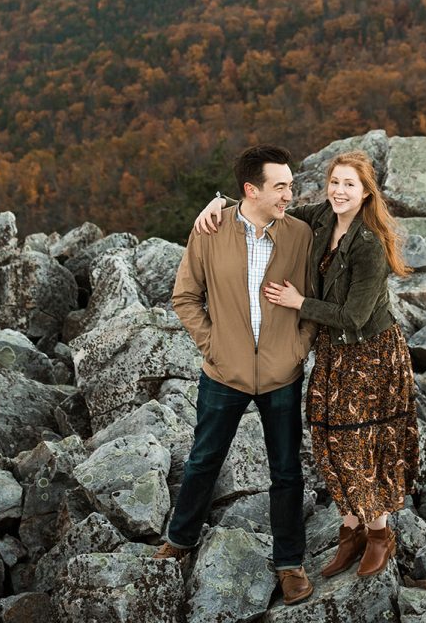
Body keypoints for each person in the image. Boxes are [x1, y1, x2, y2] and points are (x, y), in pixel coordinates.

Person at [193, 148, 420, 579]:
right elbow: (267, 201)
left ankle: (379, 534)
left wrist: (300, 303)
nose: (338, 191)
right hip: (334, 354)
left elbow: (354, 316)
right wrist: (220, 203)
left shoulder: (368, 244)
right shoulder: (322, 219)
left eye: (349, 185)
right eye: (334, 182)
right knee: (332, 443)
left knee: (363, 444)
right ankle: (349, 531)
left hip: (369, 356)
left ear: (366, 192)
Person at [154, 145, 317, 607]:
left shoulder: (301, 235)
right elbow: (185, 297)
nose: (290, 193)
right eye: (281, 186)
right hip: (223, 372)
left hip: (282, 373)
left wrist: (296, 349)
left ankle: (290, 563)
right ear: (252, 190)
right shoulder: (209, 230)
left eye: (290, 184)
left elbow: (311, 302)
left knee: (286, 471)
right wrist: (214, 346)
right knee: (203, 459)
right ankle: (180, 540)